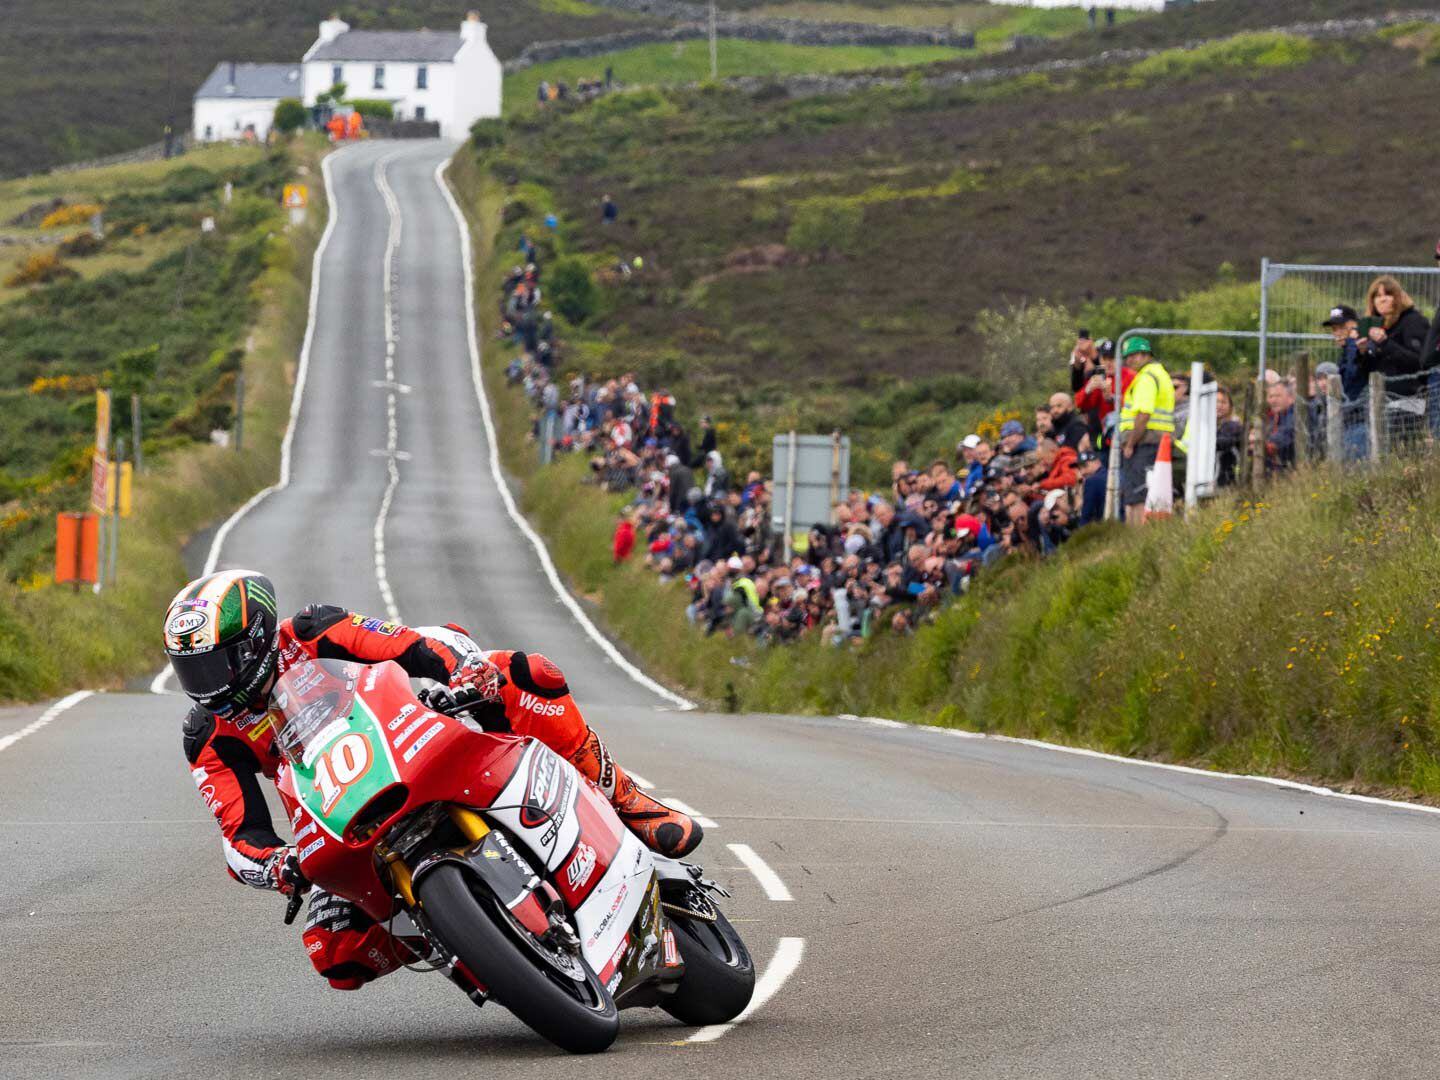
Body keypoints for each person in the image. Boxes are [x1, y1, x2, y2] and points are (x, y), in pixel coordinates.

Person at [165, 570, 700, 991]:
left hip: (417, 738)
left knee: (525, 675)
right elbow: (239, 836)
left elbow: (408, 645)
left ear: (255, 639)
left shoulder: (312, 630)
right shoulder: (208, 734)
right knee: (334, 953)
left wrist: (461, 672)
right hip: (341, 816)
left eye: (216, 665)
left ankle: (628, 802)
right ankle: (461, 941)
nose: (206, 686)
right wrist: (275, 865)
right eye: (192, 672)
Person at [1116, 337, 1174, 527]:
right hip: (1155, 442)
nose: (1128, 361)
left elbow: (1143, 414)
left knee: (1137, 496)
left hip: (1144, 443)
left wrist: (1130, 443)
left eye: (1132, 356)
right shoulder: (1160, 373)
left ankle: (1136, 536)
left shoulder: (1146, 378)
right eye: (1126, 357)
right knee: (1144, 493)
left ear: (1144, 354)